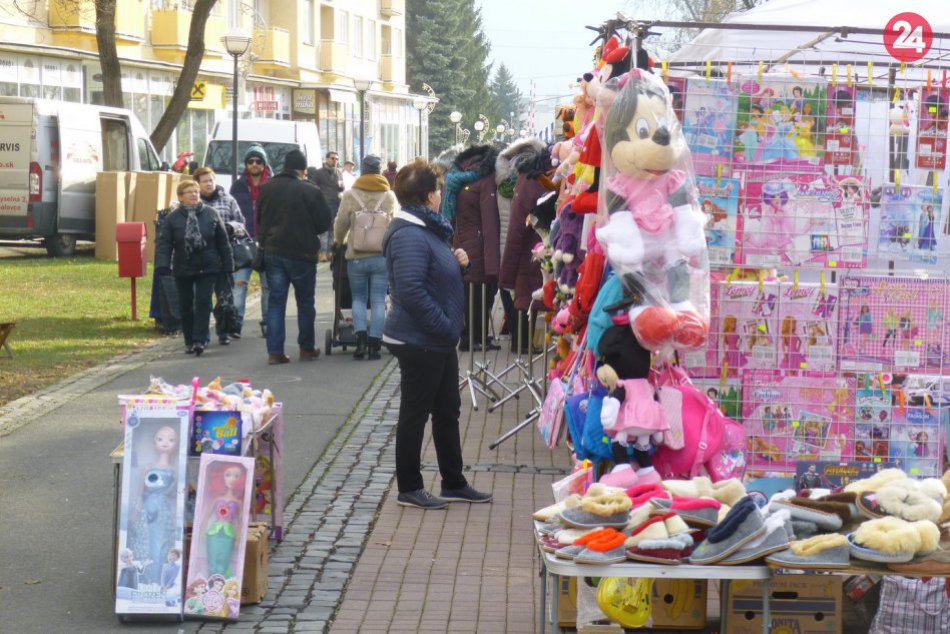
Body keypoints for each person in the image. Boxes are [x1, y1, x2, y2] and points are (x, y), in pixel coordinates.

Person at [382, 159, 492, 510]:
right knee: (415, 414)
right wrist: (444, 327)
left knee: (447, 410)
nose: (441, 194)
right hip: (420, 339)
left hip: (436, 339)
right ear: (429, 196)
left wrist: (459, 263)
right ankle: (409, 487)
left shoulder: (427, 228)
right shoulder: (409, 233)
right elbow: (411, 290)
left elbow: (433, 276)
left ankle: (453, 481)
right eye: (438, 189)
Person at [257, 149, 332, 365]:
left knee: (276, 302)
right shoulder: (310, 190)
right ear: (303, 169)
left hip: (273, 251)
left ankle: (275, 352)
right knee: (305, 302)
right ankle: (306, 348)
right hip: (302, 252)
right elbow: (324, 223)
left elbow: (259, 218)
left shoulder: (267, 188)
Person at [155, 181, 234, 355]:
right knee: (185, 305)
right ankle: (189, 340)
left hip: (208, 266)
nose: (193, 195)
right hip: (183, 266)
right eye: (189, 192)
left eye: (196, 192)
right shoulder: (173, 218)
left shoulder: (211, 213)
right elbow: (164, 244)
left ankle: (200, 340)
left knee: (203, 302)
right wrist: (162, 265)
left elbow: (223, 242)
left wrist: (228, 266)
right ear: (180, 197)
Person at [333, 154, 397, 360]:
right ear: (379, 171)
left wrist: (338, 240)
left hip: (356, 256)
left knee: (358, 299)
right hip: (381, 257)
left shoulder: (351, 195)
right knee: (379, 300)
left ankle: (360, 341)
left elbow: (341, 223)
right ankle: (375, 345)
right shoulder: (389, 196)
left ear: (363, 169)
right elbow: (395, 224)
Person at [195, 166, 247, 345]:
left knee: (224, 296)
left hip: (223, 255)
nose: (209, 184)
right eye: (204, 181)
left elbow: (241, 223)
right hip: (200, 258)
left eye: (211, 180)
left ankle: (224, 331)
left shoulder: (228, 199)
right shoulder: (194, 202)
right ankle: (202, 336)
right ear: (198, 184)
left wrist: (230, 227)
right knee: (202, 299)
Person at [230, 145, 273, 337]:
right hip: (243, 242)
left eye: (258, 161)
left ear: (264, 164)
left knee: (268, 287)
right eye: (250, 161)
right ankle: (235, 325)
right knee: (239, 286)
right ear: (246, 164)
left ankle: (268, 324)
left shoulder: (272, 185)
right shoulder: (238, 185)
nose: (254, 164)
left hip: (267, 243)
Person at [307, 151, 344, 262]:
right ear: (326, 159)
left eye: (336, 159)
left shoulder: (338, 172)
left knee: (333, 229)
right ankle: (322, 253)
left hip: (335, 203)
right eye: (332, 158)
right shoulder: (319, 172)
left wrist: (341, 188)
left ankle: (330, 252)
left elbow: (341, 187)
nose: (335, 160)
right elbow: (313, 186)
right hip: (323, 204)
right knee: (324, 229)